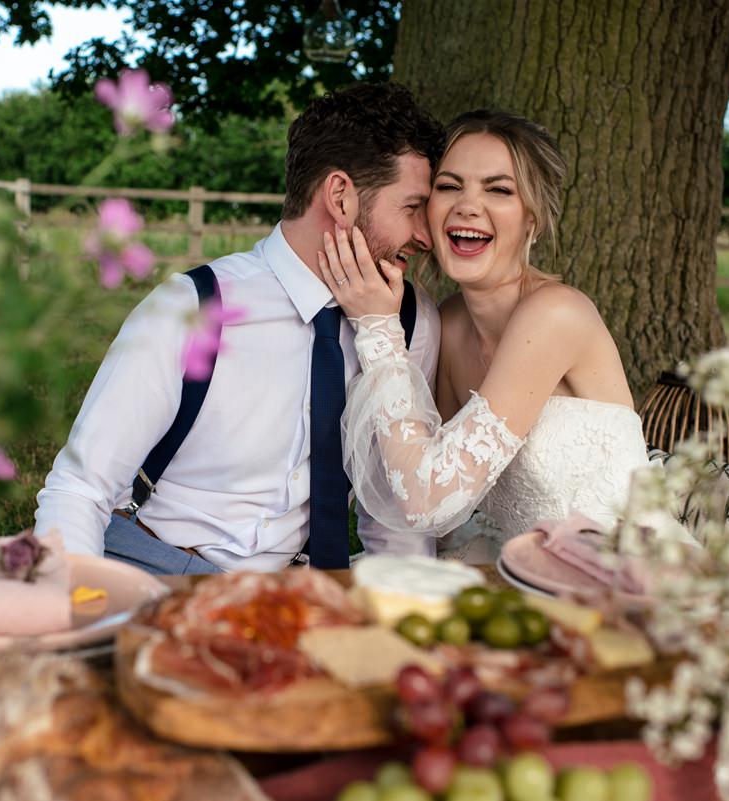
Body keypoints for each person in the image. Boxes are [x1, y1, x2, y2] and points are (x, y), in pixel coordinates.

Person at [33, 83, 445, 574]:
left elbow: (395, 512)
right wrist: (82, 611)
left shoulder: (410, 321)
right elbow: (81, 487)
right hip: (156, 566)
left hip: (299, 592)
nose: (425, 235)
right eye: (412, 207)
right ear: (340, 197)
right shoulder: (192, 306)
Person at [318, 109, 650, 562]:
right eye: (449, 186)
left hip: (625, 580)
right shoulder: (448, 323)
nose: (467, 206)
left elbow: (427, 501)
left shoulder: (557, 315)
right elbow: (414, 475)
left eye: (499, 190)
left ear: (532, 217)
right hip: (530, 574)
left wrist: (378, 329)